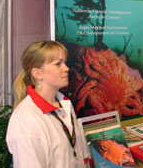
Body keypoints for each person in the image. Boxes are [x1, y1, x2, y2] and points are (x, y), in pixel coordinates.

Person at [6, 40, 89, 168]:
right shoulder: (25, 120)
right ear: (37, 73)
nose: (66, 68)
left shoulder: (65, 104)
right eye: (58, 64)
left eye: (65, 62)